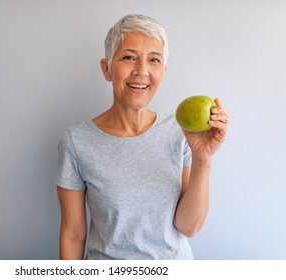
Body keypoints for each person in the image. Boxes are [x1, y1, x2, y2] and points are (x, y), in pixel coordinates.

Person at [55, 14, 228, 260]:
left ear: (163, 71)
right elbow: (72, 234)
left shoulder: (182, 133)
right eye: (129, 57)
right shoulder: (76, 142)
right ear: (107, 69)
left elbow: (188, 227)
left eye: (154, 60)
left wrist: (203, 159)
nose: (141, 71)